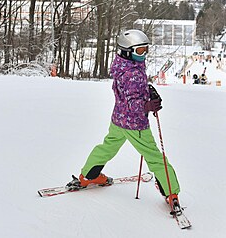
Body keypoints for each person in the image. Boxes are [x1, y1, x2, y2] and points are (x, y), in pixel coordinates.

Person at [68, 29, 182, 212]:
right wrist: (147, 106)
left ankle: (88, 175)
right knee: (154, 157)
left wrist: (148, 91)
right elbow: (133, 102)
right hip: (135, 125)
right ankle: (172, 191)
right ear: (126, 51)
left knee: (107, 146)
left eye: (146, 50)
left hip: (118, 119)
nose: (144, 54)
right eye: (139, 51)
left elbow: (130, 93)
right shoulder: (133, 74)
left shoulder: (124, 66)